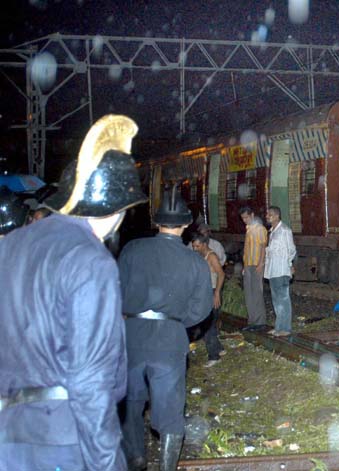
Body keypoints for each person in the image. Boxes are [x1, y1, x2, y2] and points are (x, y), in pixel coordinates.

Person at [0, 115, 147, 471]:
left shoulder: (11, 245)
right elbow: (90, 380)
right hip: (63, 440)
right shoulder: (91, 261)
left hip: (8, 437)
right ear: (116, 211)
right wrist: (107, 462)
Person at [118, 184, 213, 471]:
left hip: (131, 335)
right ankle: (167, 465)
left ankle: (135, 456)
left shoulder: (132, 250)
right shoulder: (195, 262)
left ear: (156, 221)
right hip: (169, 340)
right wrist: (175, 323)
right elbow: (202, 309)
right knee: (170, 409)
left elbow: (115, 290)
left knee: (129, 402)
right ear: (185, 225)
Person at [191, 232, 226, 367]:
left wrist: (217, 293)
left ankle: (214, 356)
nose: (195, 249)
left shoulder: (211, 256)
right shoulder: (199, 256)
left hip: (212, 292)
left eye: (197, 246)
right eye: (194, 246)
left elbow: (221, 274)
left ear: (204, 244)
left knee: (206, 325)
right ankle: (219, 349)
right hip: (204, 293)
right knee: (208, 324)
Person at [264, 206, 297, 337]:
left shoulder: (284, 231)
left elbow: (291, 250)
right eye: (267, 214)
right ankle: (278, 327)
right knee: (276, 300)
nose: (267, 216)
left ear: (277, 216)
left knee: (283, 299)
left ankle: (286, 328)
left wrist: (289, 265)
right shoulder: (272, 232)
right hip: (273, 270)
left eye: (270, 214)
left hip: (281, 270)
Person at [239, 206, 268, 331]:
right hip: (248, 264)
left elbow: (263, 247)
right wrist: (244, 266)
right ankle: (252, 321)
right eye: (243, 218)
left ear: (252, 215)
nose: (244, 220)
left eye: (246, 217)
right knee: (249, 294)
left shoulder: (260, 229)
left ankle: (260, 322)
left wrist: (261, 264)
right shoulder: (249, 229)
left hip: (256, 264)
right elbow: (247, 249)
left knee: (257, 293)